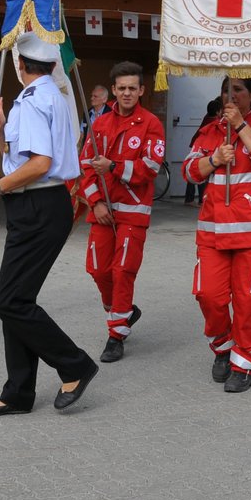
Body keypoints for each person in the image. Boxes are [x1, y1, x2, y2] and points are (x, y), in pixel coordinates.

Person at [0, 33, 98, 417]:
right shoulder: (56, 98)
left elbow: (39, 164)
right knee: (17, 300)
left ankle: (74, 364)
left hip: (36, 205)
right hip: (46, 203)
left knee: (9, 302)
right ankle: (18, 392)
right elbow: (21, 154)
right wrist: (1, 129)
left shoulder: (32, 100)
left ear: (21, 65)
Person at [184, 76, 251, 393]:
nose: (231, 96)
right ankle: (223, 346)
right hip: (213, 233)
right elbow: (188, 170)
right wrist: (212, 160)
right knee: (208, 296)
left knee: (246, 301)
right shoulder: (209, 131)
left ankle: (245, 362)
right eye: (226, 90)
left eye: (238, 90)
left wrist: (240, 126)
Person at [78, 61, 166, 364]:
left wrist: (114, 166)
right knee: (97, 269)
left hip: (133, 213)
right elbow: (85, 165)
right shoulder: (99, 123)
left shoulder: (151, 123)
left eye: (133, 88)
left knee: (122, 271)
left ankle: (116, 335)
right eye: (122, 88)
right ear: (113, 91)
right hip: (102, 211)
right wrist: (96, 202)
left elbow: (150, 168)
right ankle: (123, 310)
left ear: (141, 90)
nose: (127, 93)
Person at [181, 98, 222, 205]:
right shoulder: (215, 122)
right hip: (205, 146)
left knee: (194, 171)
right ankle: (200, 199)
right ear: (218, 111)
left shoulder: (207, 117)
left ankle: (189, 198)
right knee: (203, 171)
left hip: (197, 144)